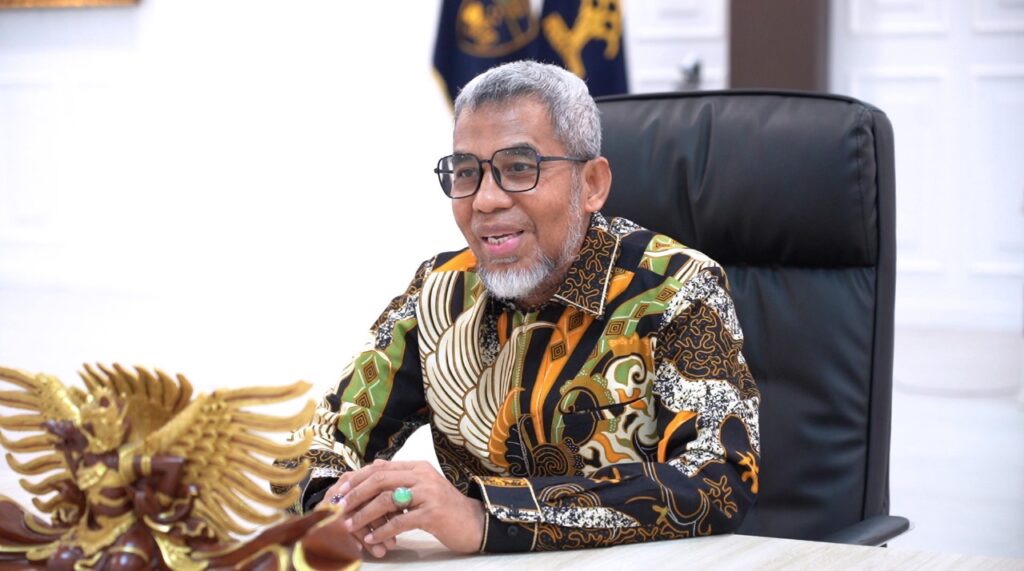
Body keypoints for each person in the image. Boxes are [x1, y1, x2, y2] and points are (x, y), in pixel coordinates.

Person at [274, 60, 761, 556]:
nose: (485, 200)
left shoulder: (677, 288)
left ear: (592, 184)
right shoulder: (439, 292)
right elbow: (312, 443)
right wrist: (335, 504)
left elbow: (718, 479)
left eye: (519, 168)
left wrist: (486, 516)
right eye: (467, 172)